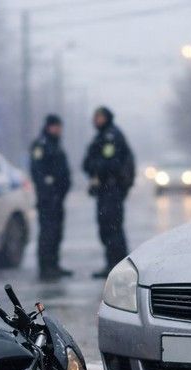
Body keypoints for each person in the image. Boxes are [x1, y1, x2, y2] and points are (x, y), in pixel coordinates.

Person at [82, 106, 134, 278]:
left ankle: (117, 265)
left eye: (100, 117)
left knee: (113, 228)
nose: (97, 120)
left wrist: (97, 167)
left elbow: (110, 163)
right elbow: (87, 162)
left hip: (112, 190)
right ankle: (112, 263)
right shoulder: (101, 136)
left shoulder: (111, 136)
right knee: (106, 227)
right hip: (104, 191)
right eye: (95, 117)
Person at [30, 114, 73, 279]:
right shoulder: (41, 145)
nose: (58, 130)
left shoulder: (56, 144)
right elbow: (38, 171)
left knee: (56, 232)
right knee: (48, 233)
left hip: (58, 198)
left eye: (59, 126)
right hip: (48, 198)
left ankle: (54, 265)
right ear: (49, 127)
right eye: (56, 126)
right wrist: (49, 191)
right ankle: (45, 267)